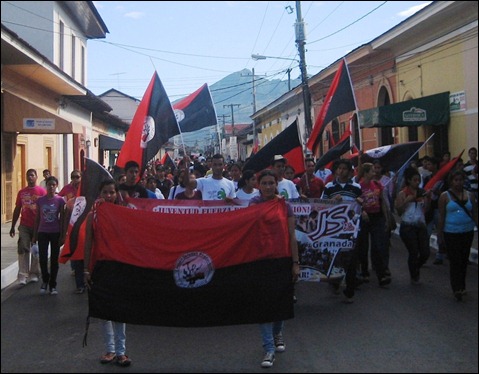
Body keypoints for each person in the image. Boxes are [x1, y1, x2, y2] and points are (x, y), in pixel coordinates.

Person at [249, 169, 300, 368]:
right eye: (265, 183)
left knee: (281, 302)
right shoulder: (253, 205)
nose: (268, 186)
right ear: (258, 186)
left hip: (282, 259)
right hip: (261, 260)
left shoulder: (284, 206)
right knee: (264, 305)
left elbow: (291, 235)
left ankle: (278, 333)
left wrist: (296, 263)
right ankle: (269, 349)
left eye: (272, 183)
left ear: (276, 185)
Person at [83, 179, 132, 367]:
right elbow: (88, 243)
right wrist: (86, 269)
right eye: (105, 192)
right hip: (100, 267)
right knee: (104, 310)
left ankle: (121, 351)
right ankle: (110, 350)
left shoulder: (124, 215)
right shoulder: (92, 217)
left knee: (119, 309)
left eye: (112, 192)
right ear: (100, 194)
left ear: (116, 194)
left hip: (119, 266)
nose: (109, 196)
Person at [321, 159, 364, 302]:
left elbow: (362, 204)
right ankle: (335, 281)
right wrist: (332, 201)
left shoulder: (356, 187)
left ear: (350, 171)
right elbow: (321, 206)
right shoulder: (329, 187)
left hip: (352, 228)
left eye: (344, 168)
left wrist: (360, 203)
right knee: (335, 258)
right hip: (334, 229)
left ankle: (349, 291)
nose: (341, 171)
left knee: (351, 260)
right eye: (339, 168)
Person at [437, 170, 478, 301]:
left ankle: (462, 284)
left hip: (467, 231)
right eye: (456, 180)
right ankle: (456, 287)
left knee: (464, 259)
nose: (458, 183)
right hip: (451, 232)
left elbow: (475, 213)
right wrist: (440, 234)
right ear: (451, 181)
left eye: (460, 180)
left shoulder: (470, 195)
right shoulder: (445, 196)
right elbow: (441, 216)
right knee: (455, 260)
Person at [356, 162, 392, 287]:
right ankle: (364, 271)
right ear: (366, 173)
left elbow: (382, 202)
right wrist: (363, 211)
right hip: (364, 218)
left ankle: (381, 275)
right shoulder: (358, 186)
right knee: (363, 246)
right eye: (372, 170)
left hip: (377, 217)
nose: (374, 172)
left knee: (379, 245)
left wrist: (387, 218)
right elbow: (356, 202)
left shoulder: (377, 185)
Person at [394, 167, 431, 284]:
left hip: (420, 225)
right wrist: (407, 201)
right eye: (414, 180)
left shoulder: (422, 193)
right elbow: (399, 211)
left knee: (425, 252)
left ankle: (416, 266)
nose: (417, 182)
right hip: (408, 226)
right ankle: (414, 275)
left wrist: (428, 199)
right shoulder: (403, 193)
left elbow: (427, 209)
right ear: (409, 181)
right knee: (413, 251)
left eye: (418, 180)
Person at [9, 169, 46, 285]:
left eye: (32, 175)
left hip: (38, 226)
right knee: (23, 248)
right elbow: (17, 209)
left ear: (36, 177)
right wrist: (13, 225)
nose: (30, 177)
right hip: (24, 225)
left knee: (36, 251)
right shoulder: (21, 192)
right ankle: (22, 275)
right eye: (28, 175)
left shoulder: (42, 192)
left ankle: (34, 273)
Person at [33, 176, 65, 295]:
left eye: (53, 185)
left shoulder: (60, 200)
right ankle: (45, 280)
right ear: (46, 186)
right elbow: (37, 218)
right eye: (49, 185)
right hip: (43, 232)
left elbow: (62, 219)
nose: (51, 187)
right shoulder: (40, 201)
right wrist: (34, 235)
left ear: (56, 186)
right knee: (42, 258)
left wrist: (62, 235)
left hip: (55, 232)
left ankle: (53, 285)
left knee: (54, 260)